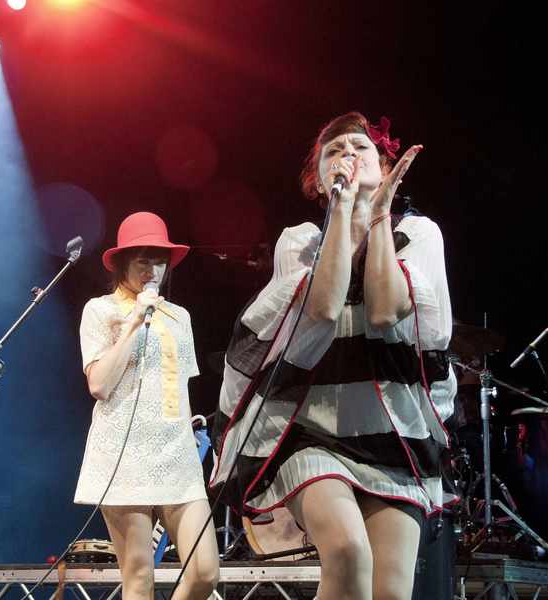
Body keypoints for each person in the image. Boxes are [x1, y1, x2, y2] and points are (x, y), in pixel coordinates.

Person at [211, 112, 456, 599]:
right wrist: (342, 211)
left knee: (390, 590)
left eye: (360, 148)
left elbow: (386, 312)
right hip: (312, 432)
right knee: (347, 553)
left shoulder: (419, 234)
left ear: (386, 168)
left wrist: (380, 215)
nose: (348, 154)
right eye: (334, 151)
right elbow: (322, 310)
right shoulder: (299, 243)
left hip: (394, 435)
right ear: (319, 179)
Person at [75, 212, 219, 600]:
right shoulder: (101, 310)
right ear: (123, 262)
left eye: (160, 261)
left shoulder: (179, 317)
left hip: (176, 453)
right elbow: (100, 384)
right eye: (143, 260)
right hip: (125, 453)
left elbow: (180, 388)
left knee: (205, 571)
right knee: (139, 579)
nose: (153, 269)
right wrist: (135, 321)